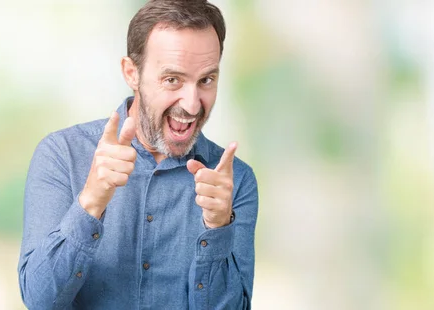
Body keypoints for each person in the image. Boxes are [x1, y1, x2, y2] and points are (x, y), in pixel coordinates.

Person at [17, 1, 259, 309]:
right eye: (172, 79)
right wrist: (91, 201)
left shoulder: (234, 181)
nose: (193, 104)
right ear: (132, 72)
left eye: (206, 80)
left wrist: (217, 228)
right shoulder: (61, 156)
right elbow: (40, 301)